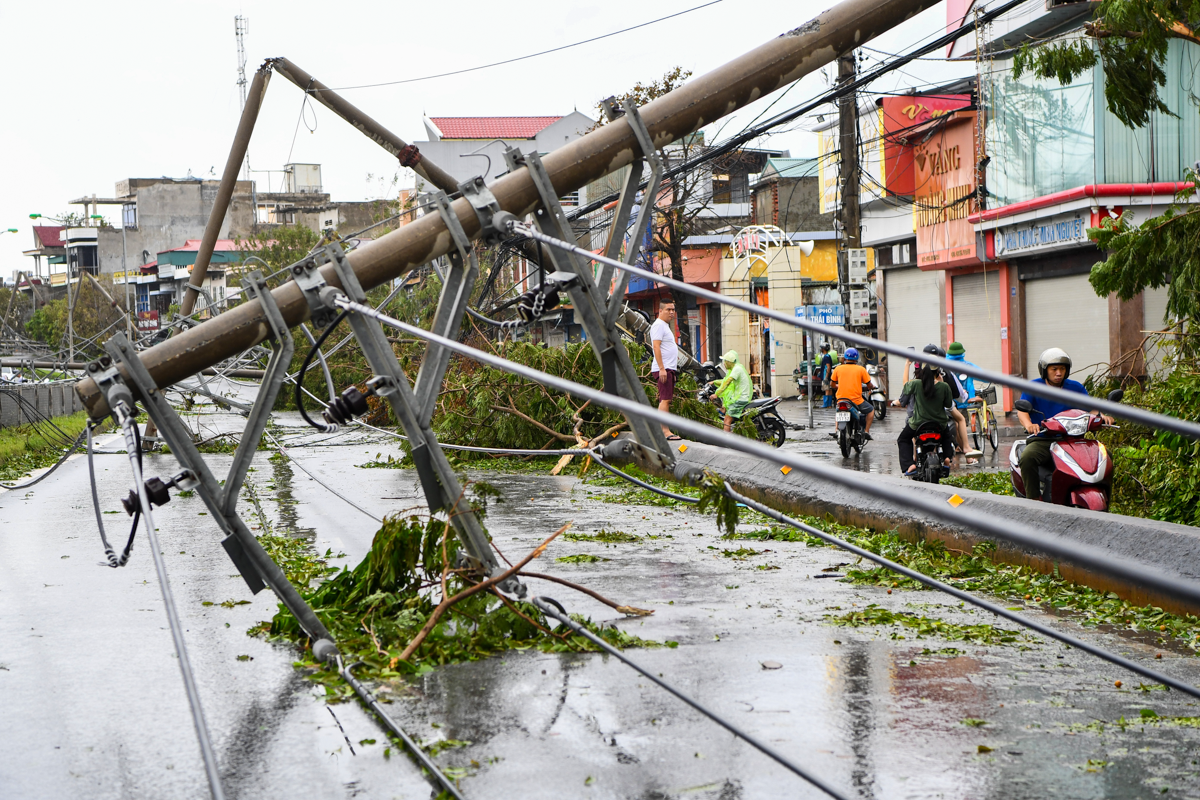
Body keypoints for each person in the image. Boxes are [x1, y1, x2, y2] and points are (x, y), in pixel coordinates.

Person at [1015, 348, 1112, 501]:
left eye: (1062, 369)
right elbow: (1022, 411)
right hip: (1044, 439)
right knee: (1027, 458)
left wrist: (1101, 416)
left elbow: (1091, 409)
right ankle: (1032, 501)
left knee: (1105, 456)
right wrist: (1029, 425)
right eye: (1054, 369)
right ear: (1044, 370)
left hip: (1074, 440)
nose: (1058, 373)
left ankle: (1105, 497)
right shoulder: (1033, 387)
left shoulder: (1075, 387)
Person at [894, 363, 954, 475]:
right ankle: (946, 458)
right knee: (947, 437)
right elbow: (948, 403)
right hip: (939, 424)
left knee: (903, 439)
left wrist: (907, 365)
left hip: (918, 423)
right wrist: (941, 382)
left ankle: (910, 465)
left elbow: (905, 388)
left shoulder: (916, 384)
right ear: (938, 373)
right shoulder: (944, 386)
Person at [923, 343, 973, 458]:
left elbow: (908, 390)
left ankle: (914, 458)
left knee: (908, 433)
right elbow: (957, 394)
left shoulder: (919, 372)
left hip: (922, 411)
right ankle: (966, 447)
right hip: (943, 410)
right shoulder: (945, 374)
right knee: (959, 420)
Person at [649, 300, 681, 440]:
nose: (671, 312)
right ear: (660, 311)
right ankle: (665, 432)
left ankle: (662, 430)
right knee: (665, 400)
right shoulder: (658, 325)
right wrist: (662, 369)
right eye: (668, 309)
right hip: (664, 369)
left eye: (673, 309)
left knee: (666, 399)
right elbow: (656, 347)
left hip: (668, 367)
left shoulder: (664, 326)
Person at [946, 342, 984, 457]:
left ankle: (958, 446)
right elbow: (982, 375)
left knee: (955, 424)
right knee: (961, 422)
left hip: (949, 401)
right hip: (965, 400)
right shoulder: (967, 365)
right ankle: (965, 448)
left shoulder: (944, 366)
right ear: (962, 353)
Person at [829, 347, 875, 439]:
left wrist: (838, 386)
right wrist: (872, 387)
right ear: (856, 358)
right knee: (871, 410)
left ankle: (836, 430)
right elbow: (869, 385)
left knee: (839, 412)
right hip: (856, 400)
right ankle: (866, 431)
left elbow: (832, 384)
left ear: (845, 358)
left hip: (841, 399)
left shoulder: (838, 369)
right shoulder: (861, 369)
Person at [712, 350, 753, 432]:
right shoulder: (737, 368)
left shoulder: (736, 369)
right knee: (726, 407)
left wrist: (716, 394)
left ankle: (727, 442)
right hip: (741, 396)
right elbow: (725, 381)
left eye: (725, 362)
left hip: (741, 398)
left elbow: (727, 382)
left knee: (727, 420)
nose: (724, 364)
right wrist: (714, 382)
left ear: (729, 362)